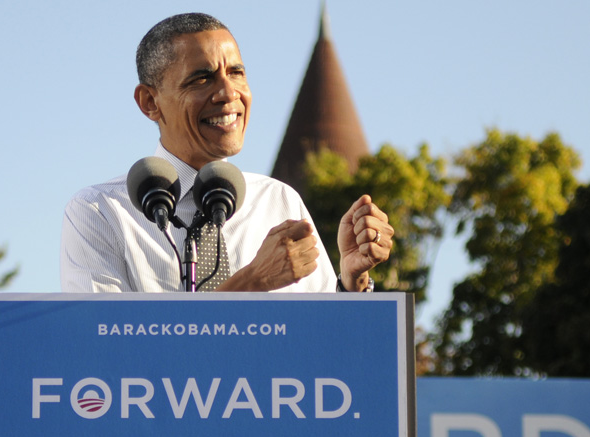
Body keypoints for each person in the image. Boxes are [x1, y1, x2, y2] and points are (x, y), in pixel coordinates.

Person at [60, 13, 393, 293]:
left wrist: (352, 280)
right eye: (202, 79)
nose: (228, 92)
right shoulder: (100, 213)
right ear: (150, 102)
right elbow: (103, 354)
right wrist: (251, 283)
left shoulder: (278, 201)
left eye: (236, 72)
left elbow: (324, 343)